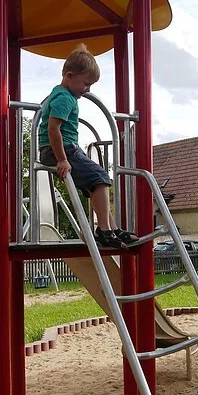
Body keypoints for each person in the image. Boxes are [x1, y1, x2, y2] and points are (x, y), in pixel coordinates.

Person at [38, 44, 138, 249]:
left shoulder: (63, 95)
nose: (88, 89)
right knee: (100, 177)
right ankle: (104, 231)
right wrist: (63, 158)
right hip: (59, 149)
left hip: (62, 148)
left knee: (96, 183)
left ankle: (111, 228)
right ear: (69, 76)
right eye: (85, 84)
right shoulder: (64, 98)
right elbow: (53, 130)